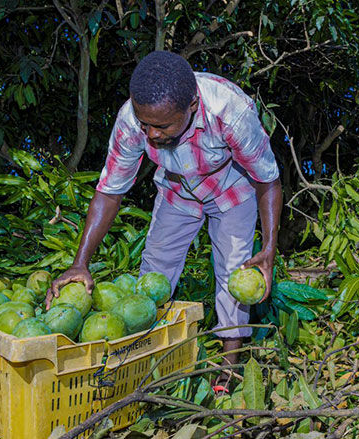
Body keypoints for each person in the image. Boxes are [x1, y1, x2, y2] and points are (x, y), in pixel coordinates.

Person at [45, 50, 282, 393]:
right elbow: (110, 191)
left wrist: (270, 248)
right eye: (146, 125)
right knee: (156, 266)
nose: (152, 135)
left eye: (162, 126)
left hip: (230, 186)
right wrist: (80, 263)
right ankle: (144, 353)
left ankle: (231, 360)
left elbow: (268, 180)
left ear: (192, 107)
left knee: (233, 271)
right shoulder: (131, 121)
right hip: (176, 187)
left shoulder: (229, 111)